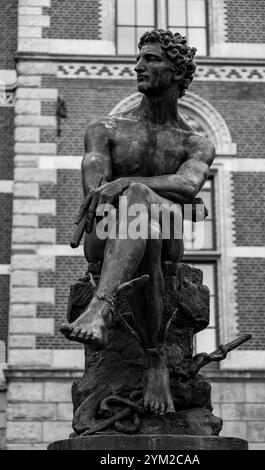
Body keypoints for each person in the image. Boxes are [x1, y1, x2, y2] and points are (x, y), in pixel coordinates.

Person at [61, 29, 215, 415]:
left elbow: (189, 182)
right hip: (105, 234)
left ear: (178, 73)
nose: (138, 65)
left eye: (151, 59)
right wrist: (141, 193)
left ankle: (102, 309)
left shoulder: (194, 142)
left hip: (165, 240)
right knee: (138, 207)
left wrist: (130, 183)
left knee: (140, 203)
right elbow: (95, 197)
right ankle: (154, 359)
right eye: (139, 57)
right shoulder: (105, 130)